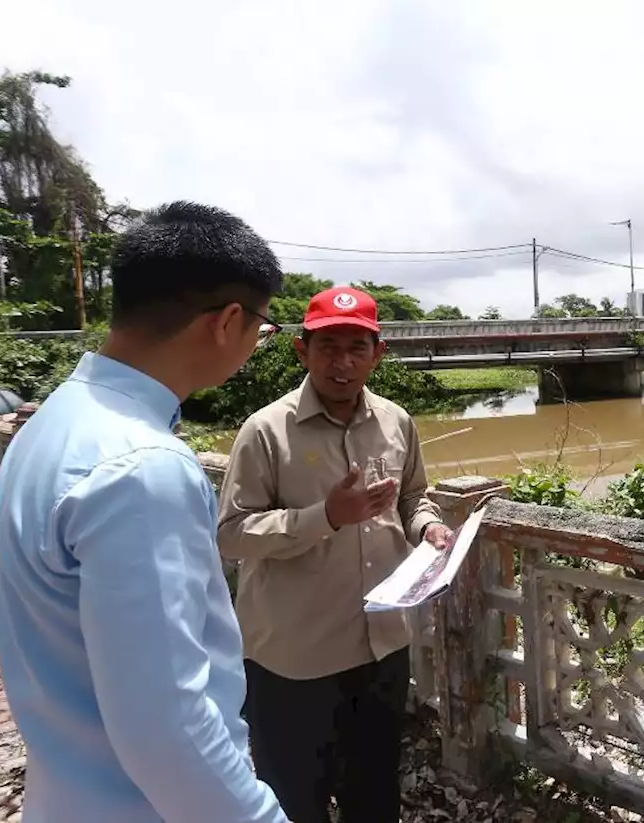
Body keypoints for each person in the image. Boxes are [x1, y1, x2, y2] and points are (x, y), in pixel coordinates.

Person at [0, 202, 290, 822]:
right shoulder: (143, 467)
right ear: (228, 320)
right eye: (262, 328)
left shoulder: (53, 424)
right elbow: (169, 727)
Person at [216, 285, 452, 823]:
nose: (342, 363)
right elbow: (231, 533)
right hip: (296, 659)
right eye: (328, 347)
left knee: (373, 787)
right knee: (296, 796)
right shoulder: (265, 431)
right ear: (302, 350)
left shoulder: (396, 421)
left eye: (356, 348)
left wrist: (429, 526)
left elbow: (414, 495)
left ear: (378, 354)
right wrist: (325, 517)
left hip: (381, 646)